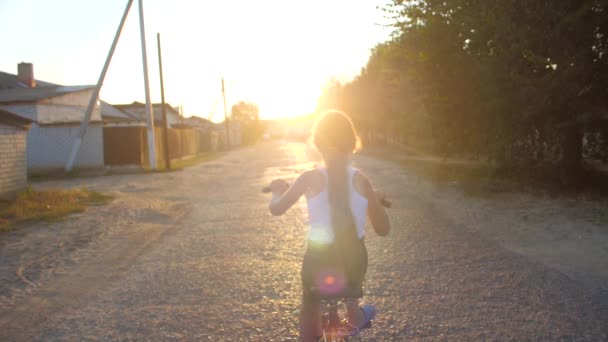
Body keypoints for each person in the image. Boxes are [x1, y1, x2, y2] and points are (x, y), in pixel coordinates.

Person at [268, 110, 391, 341]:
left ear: (317, 143)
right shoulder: (362, 181)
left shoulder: (309, 178)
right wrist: (375, 200)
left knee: (310, 305)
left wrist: (276, 191)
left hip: (319, 262)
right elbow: (383, 229)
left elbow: (276, 209)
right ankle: (355, 312)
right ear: (353, 143)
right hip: (353, 265)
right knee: (351, 277)